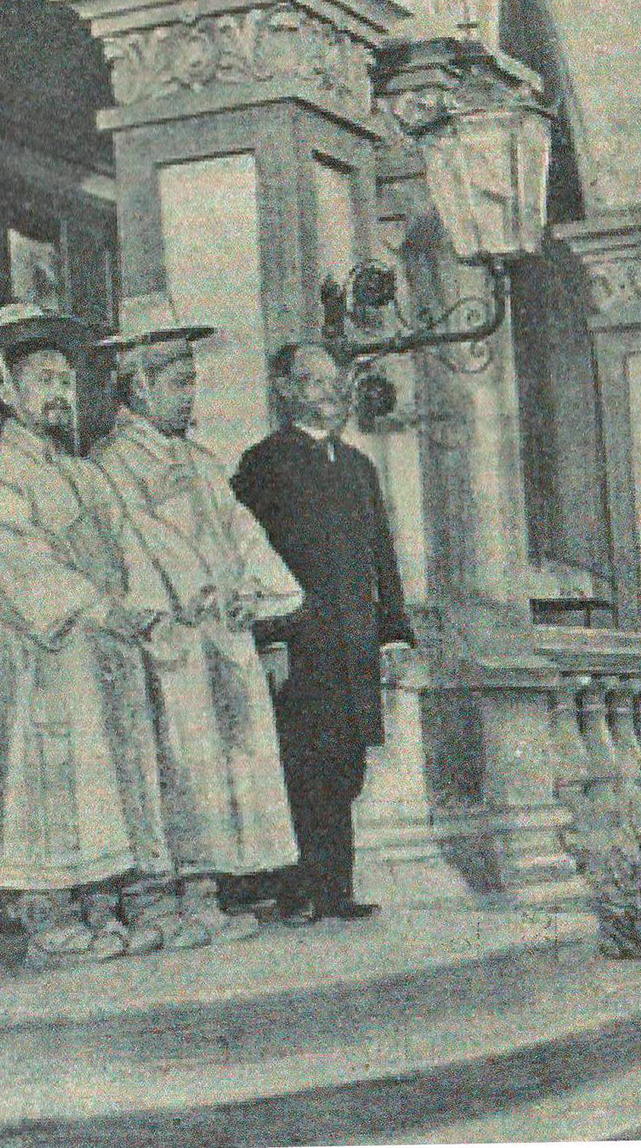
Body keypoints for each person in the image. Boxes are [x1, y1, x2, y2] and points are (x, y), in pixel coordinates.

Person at [0, 302, 180, 966]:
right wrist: (96, 607)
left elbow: (128, 550)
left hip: (104, 653)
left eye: (63, 380)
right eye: (41, 380)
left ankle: (104, 904)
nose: (57, 394)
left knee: (106, 780)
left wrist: (143, 606)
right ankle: (49, 915)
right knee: (48, 783)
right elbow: (13, 566)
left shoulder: (84, 474)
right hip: (43, 655)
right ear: (7, 392)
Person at [93, 293, 305, 945]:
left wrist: (256, 591)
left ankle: (204, 889)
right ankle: (161, 897)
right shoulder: (112, 467)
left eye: (193, 380)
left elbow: (244, 534)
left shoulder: (204, 466)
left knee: (218, 765)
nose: (191, 396)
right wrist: (199, 593)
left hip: (217, 638)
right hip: (164, 644)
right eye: (179, 382)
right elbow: (138, 547)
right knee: (173, 765)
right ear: (139, 384)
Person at [231, 342, 414, 923]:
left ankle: (335, 889)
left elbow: (383, 559)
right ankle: (300, 889)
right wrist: (272, 637)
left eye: (336, 384)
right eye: (314, 383)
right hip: (300, 647)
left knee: (347, 766)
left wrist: (393, 634)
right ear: (284, 390)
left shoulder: (359, 468)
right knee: (303, 764)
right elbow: (248, 561)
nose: (331, 396)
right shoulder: (264, 464)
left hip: (354, 646)